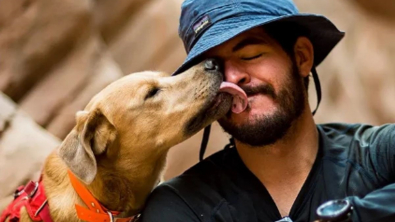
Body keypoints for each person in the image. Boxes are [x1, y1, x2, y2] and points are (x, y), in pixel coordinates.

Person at [140, 0, 395, 221]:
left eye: (250, 55)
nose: (232, 77)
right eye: (213, 69)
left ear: (301, 57)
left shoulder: (377, 156)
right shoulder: (181, 207)